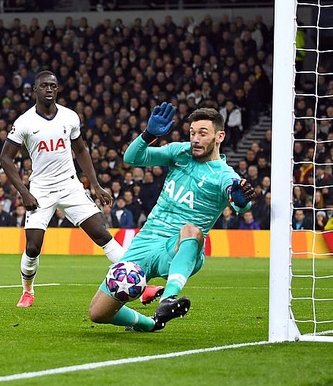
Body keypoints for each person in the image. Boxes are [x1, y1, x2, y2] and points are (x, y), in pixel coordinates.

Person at [0, 71, 163, 308]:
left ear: (57, 89)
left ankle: (143, 285)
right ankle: (28, 290)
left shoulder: (69, 117)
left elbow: (81, 150)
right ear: (34, 89)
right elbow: (6, 158)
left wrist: (95, 184)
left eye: (53, 86)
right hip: (41, 189)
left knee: (102, 234)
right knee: (33, 246)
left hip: (70, 185)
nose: (49, 90)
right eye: (44, 86)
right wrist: (24, 192)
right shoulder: (24, 122)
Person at [88, 103, 256, 332]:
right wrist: (149, 135)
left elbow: (242, 206)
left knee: (191, 229)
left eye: (203, 133)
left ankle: (168, 298)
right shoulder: (180, 152)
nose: (195, 139)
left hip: (178, 247)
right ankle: (151, 324)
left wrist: (240, 199)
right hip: (145, 241)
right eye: (192, 133)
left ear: (220, 136)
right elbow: (132, 158)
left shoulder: (225, 175)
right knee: (98, 312)